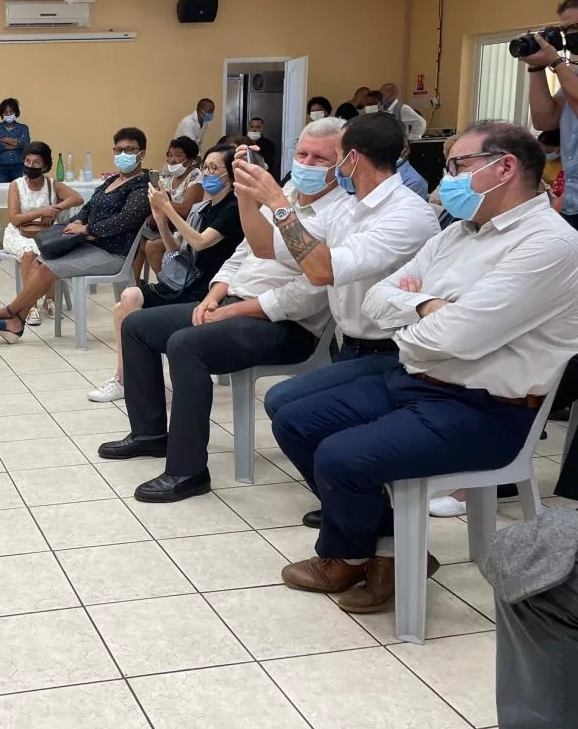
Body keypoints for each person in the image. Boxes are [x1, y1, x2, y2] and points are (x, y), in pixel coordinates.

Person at [273, 121, 578, 613]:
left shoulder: (550, 244)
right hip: (417, 378)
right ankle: (383, 549)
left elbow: (455, 336)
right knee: (295, 420)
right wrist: (428, 307)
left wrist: (417, 320)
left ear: (505, 168)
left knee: (342, 456)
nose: (446, 179)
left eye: (458, 166)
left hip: (488, 408)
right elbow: (376, 298)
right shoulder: (459, 231)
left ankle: (350, 555)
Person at [95, 122, 353, 498]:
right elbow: (243, 252)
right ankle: (149, 435)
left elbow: (311, 292)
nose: (307, 163)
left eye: (320, 158)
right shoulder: (287, 194)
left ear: (343, 162)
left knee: (186, 344)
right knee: (137, 326)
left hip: (286, 325)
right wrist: (214, 295)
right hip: (234, 302)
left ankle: (188, 472)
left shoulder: (342, 213)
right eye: (302, 154)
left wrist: (238, 310)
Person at [233, 112, 441, 528]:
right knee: (283, 402)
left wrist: (278, 203)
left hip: (395, 353)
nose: (312, 167)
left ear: (352, 159)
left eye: (330, 156)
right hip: (354, 347)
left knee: (289, 407)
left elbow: (321, 270)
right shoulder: (348, 208)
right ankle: (354, 506)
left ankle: (363, 515)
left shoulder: (407, 214)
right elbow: (265, 247)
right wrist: (246, 193)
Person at [89, 144, 244, 402]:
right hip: (184, 281)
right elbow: (176, 248)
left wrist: (168, 206)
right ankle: (127, 379)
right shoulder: (204, 207)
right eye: (205, 167)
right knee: (122, 307)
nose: (207, 173)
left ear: (230, 175)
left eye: (214, 168)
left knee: (128, 299)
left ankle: (137, 382)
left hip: (207, 290)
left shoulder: (233, 209)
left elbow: (200, 242)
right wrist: (161, 218)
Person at [0, 127, 151, 343]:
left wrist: (87, 229)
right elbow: (88, 207)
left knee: (47, 267)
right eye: (118, 150)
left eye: (130, 150)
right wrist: (77, 221)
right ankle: (16, 323)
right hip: (91, 245)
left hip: (113, 253)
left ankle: (9, 312)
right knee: (41, 261)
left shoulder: (141, 187)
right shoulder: (112, 181)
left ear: (142, 154)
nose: (123, 154)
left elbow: (124, 221)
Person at [0, 142, 83, 327]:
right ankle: (30, 306)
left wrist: (55, 209)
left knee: (48, 251)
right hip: (19, 233)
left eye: (36, 162)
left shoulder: (52, 184)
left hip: (44, 233)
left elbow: (77, 198)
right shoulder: (16, 185)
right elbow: (14, 218)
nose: (31, 166)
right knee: (30, 253)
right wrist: (41, 212)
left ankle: (50, 299)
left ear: (45, 166)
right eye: (27, 161)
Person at [522, 0, 578, 231]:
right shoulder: (573, 76)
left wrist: (556, 63)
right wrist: (536, 67)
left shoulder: (567, 73)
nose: (571, 35)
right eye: (566, 30)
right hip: (573, 201)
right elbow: (544, 120)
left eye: (576, 27)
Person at [138, 137, 203, 278]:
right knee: (135, 239)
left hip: (184, 228)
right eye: (170, 155)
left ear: (190, 159)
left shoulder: (196, 177)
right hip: (164, 224)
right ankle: (136, 282)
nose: (173, 160)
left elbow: (186, 211)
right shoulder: (168, 177)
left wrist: (162, 202)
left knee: (152, 246)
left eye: (178, 155)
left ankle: (166, 283)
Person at [0, 97, 31, 243]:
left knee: (21, 199)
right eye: (6, 112)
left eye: (11, 112)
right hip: (1, 168)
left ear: (16, 112)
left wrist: (4, 139)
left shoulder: (23, 128)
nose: (8, 114)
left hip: (19, 167)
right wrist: (15, 143)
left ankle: (23, 230)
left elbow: (25, 144)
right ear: (2, 114)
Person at [247, 117, 281, 181]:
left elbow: (268, 164)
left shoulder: (269, 145)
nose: (254, 129)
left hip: (262, 177)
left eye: (258, 127)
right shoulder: (243, 142)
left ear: (262, 128)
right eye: (252, 127)